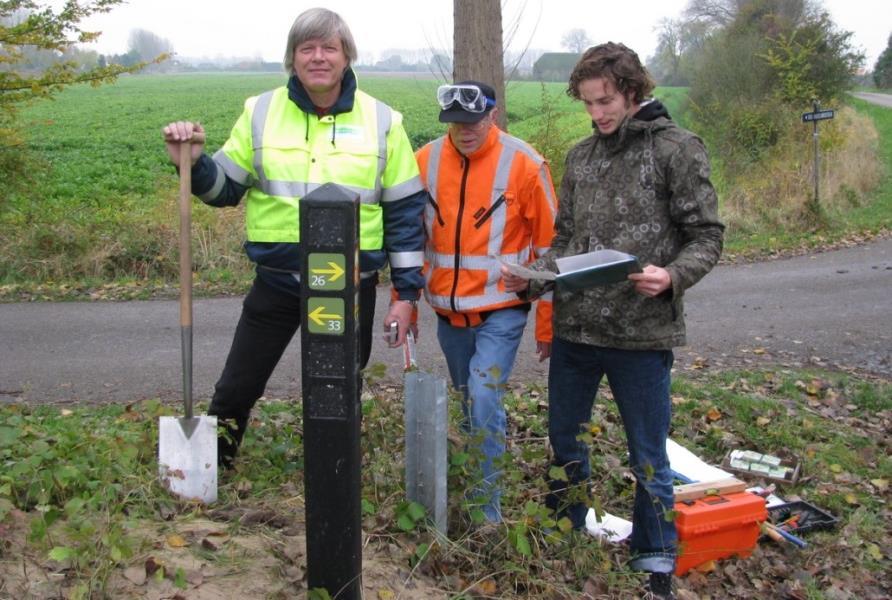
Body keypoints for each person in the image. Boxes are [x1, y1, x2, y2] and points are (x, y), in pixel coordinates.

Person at [502, 43, 724, 599]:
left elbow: (707, 235)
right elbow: (566, 240)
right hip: (577, 329)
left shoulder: (677, 150)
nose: (598, 113)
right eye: (588, 104)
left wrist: (671, 276)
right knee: (565, 440)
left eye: (606, 101)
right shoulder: (580, 157)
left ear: (633, 91)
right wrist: (532, 276)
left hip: (642, 333)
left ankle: (654, 560)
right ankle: (565, 531)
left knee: (647, 450)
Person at [161, 8, 425, 468]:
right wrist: (195, 163)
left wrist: (407, 293)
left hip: (349, 288)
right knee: (237, 386)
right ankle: (210, 473)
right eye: (307, 48)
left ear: (346, 57)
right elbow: (223, 189)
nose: (318, 57)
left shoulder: (383, 121)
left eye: (329, 48)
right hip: (278, 282)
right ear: (293, 58)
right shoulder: (260, 111)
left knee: (338, 391)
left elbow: (405, 212)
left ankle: (335, 477)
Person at [415, 81, 558, 523]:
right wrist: (405, 294)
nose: (464, 130)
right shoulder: (424, 161)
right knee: (469, 404)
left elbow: (552, 247)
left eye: (473, 120)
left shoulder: (525, 164)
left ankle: (487, 512)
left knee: (482, 398)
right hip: (448, 315)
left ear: (492, 115)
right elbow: (408, 235)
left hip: (502, 310)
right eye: (455, 122)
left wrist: (547, 324)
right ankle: (476, 476)